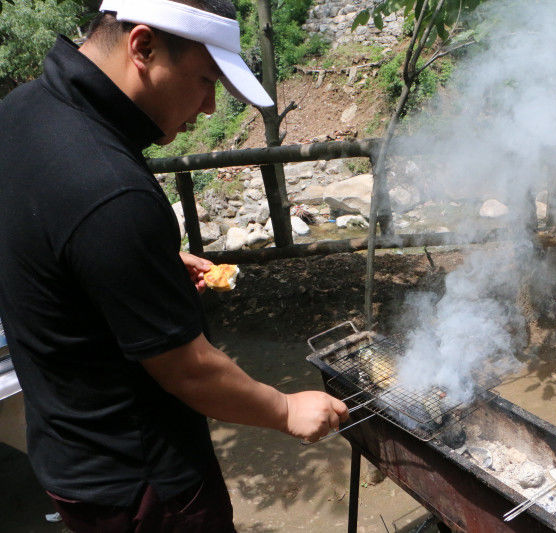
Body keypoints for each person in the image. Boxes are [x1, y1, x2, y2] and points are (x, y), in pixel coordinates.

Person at [0, 0, 348, 531]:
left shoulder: (22, 109)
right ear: (144, 47)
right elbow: (188, 370)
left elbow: (43, 244)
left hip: (67, 454)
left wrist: (141, 270)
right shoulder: (109, 189)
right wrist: (283, 409)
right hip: (142, 485)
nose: (209, 108)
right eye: (206, 81)